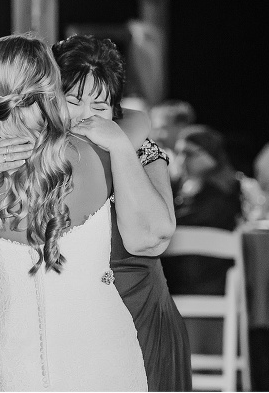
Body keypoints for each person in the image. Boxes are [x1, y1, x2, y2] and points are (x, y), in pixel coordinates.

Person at [0, 34, 148, 391]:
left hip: (12, 361)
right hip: (102, 354)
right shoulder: (96, 154)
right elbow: (139, 121)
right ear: (51, 89)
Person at [52, 35, 190, 391]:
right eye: (73, 101)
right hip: (65, 327)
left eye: (99, 105)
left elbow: (151, 238)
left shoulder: (141, 151)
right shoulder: (43, 159)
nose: (85, 117)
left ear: (115, 109)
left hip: (140, 319)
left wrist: (118, 145)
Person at [163, 125, 241, 296]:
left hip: (207, 277)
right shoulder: (175, 188)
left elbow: (183, 222)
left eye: (189, 154)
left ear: (211, 157)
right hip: (174, 274)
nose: (181, 160)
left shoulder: (224, 192)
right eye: (179, 153)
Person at [149, 99, 196, 188]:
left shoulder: (198, 157)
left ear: (181, 127)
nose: (156, 135)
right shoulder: (162, 158)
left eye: (162, 128)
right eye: (154, 129)